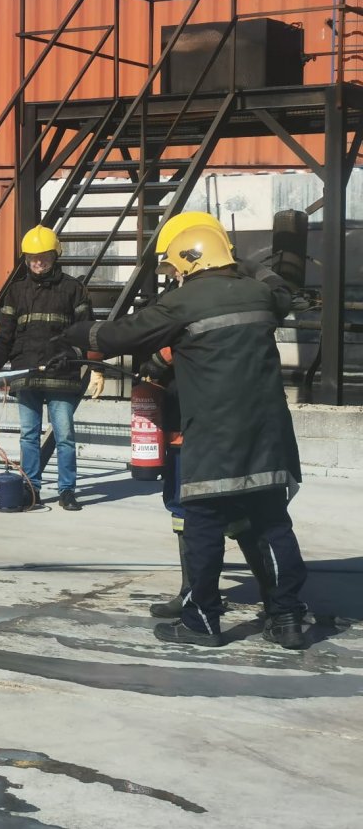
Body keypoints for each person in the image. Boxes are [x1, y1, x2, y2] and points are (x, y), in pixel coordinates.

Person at [63, 220, 307, 649]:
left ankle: (203, 622)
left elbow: (116, 335)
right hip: (269, 434)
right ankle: (286, 618)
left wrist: (71, 335)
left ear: (191, 260)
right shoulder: (260, 293)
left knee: (203, 529)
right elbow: (284, 291)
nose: (175, 275)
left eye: (176, 267)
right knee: (271, 523)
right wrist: (251, 264)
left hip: (214, 436)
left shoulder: (183, 301)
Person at [142, 212, 292, 620]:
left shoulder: (214, 295)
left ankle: (214, 604)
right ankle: (196, 591)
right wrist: (158, 359)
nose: (171, 274)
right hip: (183, 420)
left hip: (208, 428)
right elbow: (153, 346)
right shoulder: (179, 297)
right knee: (188, 513)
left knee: (223, 519)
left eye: (173, 265)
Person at [0, 225, 101, 511]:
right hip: (25, 374)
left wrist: (96, 368)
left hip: (62, 374)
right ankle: (33, 489)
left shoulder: (73, 290)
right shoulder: (16, 292)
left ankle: (67, 490)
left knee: (64, 436)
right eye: (32, 257)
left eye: (43, 257)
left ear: (55, 256)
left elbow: (87, 331)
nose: (37, 262)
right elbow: (4, 336)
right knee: (28, 435)